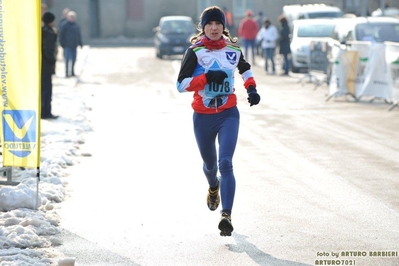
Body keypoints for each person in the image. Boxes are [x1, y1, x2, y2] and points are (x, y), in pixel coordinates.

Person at [176, 6, 260, 237]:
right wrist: (204, 78)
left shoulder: (233, 49)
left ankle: (226, 215)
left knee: (226, 163)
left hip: (228, 113)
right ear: (203, 27)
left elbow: (245, 70)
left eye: (218, 24)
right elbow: (180, 84)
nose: (214, 28)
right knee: (211, 166)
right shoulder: (195, 51)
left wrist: (251, 89)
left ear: (224, 26)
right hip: (202, 116)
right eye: (209, 24)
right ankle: (213, 187)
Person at [41, 12, 58, 119]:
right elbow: (48, 50)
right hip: (46, 65)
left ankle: (45, 111)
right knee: (47, 90)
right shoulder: (49, 33)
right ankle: (46, 112)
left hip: (42, 64)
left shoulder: (42, 31)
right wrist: (52, 61)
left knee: (44, 89)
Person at [59, 10, 83, 77]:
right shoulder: (65, 25)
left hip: (74, 45)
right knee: (67, 59)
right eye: (71, 17)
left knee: (74, 59)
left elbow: (78, 35)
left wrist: (80, 43)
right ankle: (67, 72)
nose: (72, 18)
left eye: (73, 17)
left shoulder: (76, 25)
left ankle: (72, 72)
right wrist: (62, 43)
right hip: (67, 45)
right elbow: (61, 35)